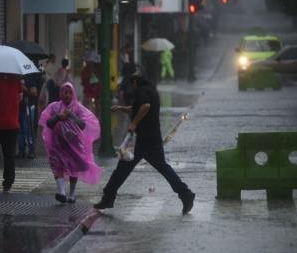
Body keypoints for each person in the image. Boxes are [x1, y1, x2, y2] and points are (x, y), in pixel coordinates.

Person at [94, 75, 195, 215]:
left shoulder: (141, 91)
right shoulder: (151, 91)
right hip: (153, 138)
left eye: (132, 84)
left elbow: (145, 106)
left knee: (122, 168)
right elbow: (138, 108)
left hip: (145, 139)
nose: (133, 87)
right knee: (162, 168)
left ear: (135, 82)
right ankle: (186, 194)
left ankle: (108, 197)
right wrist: (122, 108)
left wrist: (134, 123)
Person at [39, 82, 101, 203]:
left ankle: (72, 194)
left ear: (73, 94)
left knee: (74, 168)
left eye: (69, 92)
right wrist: (58, 116)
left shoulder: (78, 108)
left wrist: (71, 115)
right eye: (64, 92)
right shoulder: (54, 107)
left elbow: (83, 125)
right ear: (60, 93)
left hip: (74, 145)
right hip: (57, 144)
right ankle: (61, 192)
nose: (67, 95)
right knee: (57, 165)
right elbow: (48, 123)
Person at [17, 74, 38, 159]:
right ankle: (21, 150)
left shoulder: (29, 78)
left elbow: (34, 92)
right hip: (18, 108)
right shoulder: (14, 78)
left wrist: (23, 87)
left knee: (28, 130)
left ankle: (31, 150)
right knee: (19, 131)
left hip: (28, 107)